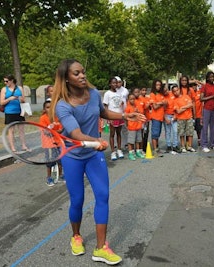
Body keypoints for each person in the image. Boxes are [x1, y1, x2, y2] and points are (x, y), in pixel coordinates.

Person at [49, 59, 145, 265]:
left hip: (93, 154)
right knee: (77, 200)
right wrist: (96, 141)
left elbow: (102, 112)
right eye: (76, 73)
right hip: (73, 155)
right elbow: (75, 133)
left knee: (103, 195)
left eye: (83, 72)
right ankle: (76, 236)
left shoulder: (93, 94)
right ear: (66, 78)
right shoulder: (62, 105)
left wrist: (125, 116)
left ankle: (101, 248)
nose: (82, 76)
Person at [0, 74, 30, 152]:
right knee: (11, 130)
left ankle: (23, 145)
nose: (5, 83)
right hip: (9, 112)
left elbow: (24, 100)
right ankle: (13, 147)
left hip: (19, 111)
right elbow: (2, 102)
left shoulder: (19, 88)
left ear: (12, 80)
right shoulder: (4, 89)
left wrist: (20, 98)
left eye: (6, 81)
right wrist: (10, 99)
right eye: (4, 81)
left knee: (21, 129)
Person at [39, 99, 64, 186]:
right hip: (49, 144)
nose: (50, 109)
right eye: (47, 107)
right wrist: (51, 129)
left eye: (51, 107)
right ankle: (49, 178)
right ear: (44, 109)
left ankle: (60, 175)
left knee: (60, 160)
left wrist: (55, 131)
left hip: (58, 142)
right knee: (50, 161)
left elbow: (61, 129)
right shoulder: (43, 118)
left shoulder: (57, 117)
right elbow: (45, 132)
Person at [103, 77, 125, 161]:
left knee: (119, 133)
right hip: (112, 116)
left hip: (119, 115)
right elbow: (105, 106)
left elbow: (120, 103)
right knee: (112, 134)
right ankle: (113, 152)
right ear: (110, 84)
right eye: (113, 83)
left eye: (116, 83)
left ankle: (119, 150)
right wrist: (108, 118)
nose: (115, 84)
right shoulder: (107, 94)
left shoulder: (119, 93)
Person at [200, 71, 214, 153]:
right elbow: (201, 99)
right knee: (205, 127)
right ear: (207, 78)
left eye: (213, 76)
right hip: (207, 109)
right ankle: (204, 144)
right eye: (210, 77)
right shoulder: (204, 86)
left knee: (213, 127)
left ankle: (213, 143)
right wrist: (212, 96)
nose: (212, 78)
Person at [173, 85, 196, 152]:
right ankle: (183, 146)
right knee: (181, 133)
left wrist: (182, 107)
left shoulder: (186, 96)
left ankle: (189, 146)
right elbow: (178, 111)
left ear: (179, 90)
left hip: (189, 117)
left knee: (190, 133)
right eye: (174, 91)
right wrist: (186, 107)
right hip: (180, 118)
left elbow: (191, 104)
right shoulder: (175, 100)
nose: (176, 92)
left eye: (177, 90)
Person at [125, 93, 145, 160]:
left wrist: (138, 111)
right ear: (128, 100)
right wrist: (127, 125)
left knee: (138, 140)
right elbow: (126, 116)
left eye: (134, 99)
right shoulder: (128, 107)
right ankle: (131, 153)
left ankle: (138, 151)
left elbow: (140, 114)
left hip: (138, 126)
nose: (132, 100)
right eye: (131, 99)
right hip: (131, 127)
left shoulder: (136, 106)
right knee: (131, 141)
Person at [149, 79, 167, 154]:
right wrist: (162, 103)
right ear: (154, 85)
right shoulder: (152, 94)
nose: (158, 86)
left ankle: (157, 147)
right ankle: (155, 149)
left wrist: (163, 103)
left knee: (158, 133)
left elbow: (164, 105)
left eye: (159, 85)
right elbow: (155, 106)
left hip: (161, 117)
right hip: (155, 116)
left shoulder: (161, 94)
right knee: (155, 133)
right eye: (157, 85)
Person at [114, 76, 129, 150]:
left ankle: (125, 143)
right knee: (116, 129)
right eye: (116, 82)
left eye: (119, 82)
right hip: (115, 113)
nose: (118, 84)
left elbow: (128, 100)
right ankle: (116, 144)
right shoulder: (113, 90)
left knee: (125, 128)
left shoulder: (125, 90)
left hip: (124, 112)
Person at [163, 85, 179, 153]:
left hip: (174, 116)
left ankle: (175, 146)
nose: (166, 92)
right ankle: (168, 145)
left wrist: (176, 115)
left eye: (166, 90)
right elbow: (161, 110)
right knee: (168, 131)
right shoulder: (162, 97)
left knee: (175, 131)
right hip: (167, 116)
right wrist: (165, 118)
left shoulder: (173, 94)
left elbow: (177, 105)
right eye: (164, 91)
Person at [192, 82, 203, 147]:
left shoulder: (200, 92)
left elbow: (204, 85)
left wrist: (197, 81)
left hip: (199, 114)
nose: (194, 87)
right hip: (192, 114)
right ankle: (188, 143)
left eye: (195, 86)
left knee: (199, 129)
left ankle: (200, 140)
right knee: (191, 130)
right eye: (192, 86)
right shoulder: (190, 93)